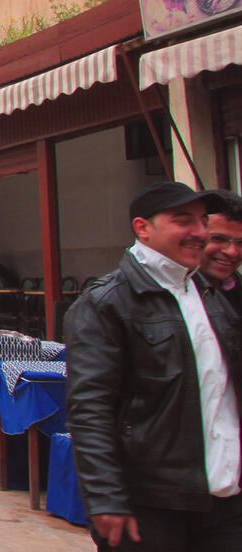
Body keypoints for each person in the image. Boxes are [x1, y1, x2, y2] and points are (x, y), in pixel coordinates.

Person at [66, 181, 242, 551]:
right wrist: (105, 496)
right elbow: (90, 407)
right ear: (143, 228)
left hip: (225, 498)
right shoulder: (106, 303)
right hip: (151, 504)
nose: (199, 232)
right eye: (183, 221)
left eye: (202, 221)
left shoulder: (210, 294)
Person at [200, 191, 242, 311]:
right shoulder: (165, 299)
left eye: (241, 242)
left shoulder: (236, 292)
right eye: (218, 239)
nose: (232, 251)